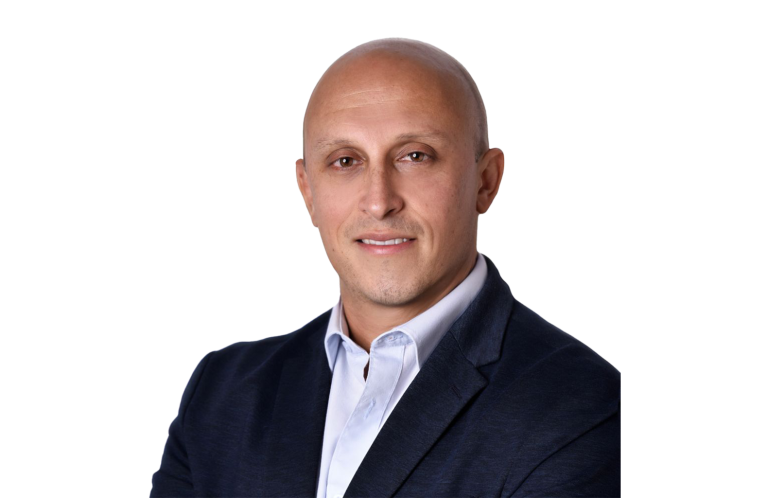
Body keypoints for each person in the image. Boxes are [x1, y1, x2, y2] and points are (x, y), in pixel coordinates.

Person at [149, 37, 621, 498]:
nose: (379, 202)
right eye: (345, 161)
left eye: (415, 156)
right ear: (307, 191)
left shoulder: (581, 406)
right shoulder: (222, 391)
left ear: (486, 181)